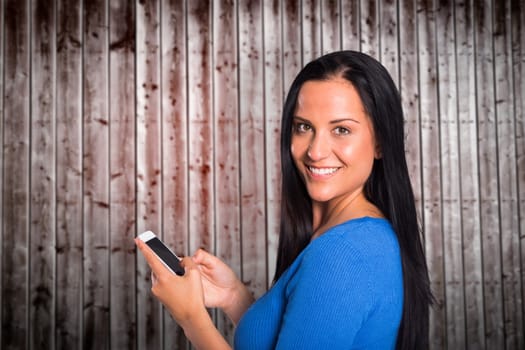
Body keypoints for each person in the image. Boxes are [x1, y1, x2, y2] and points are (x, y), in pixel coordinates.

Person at [135, 50, 432, 349]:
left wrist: (192, 319)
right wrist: (234, 297)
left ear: (380, 141)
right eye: (304, 127)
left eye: (341, 130)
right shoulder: (350, 236)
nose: (315, 151)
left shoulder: (344, 252)